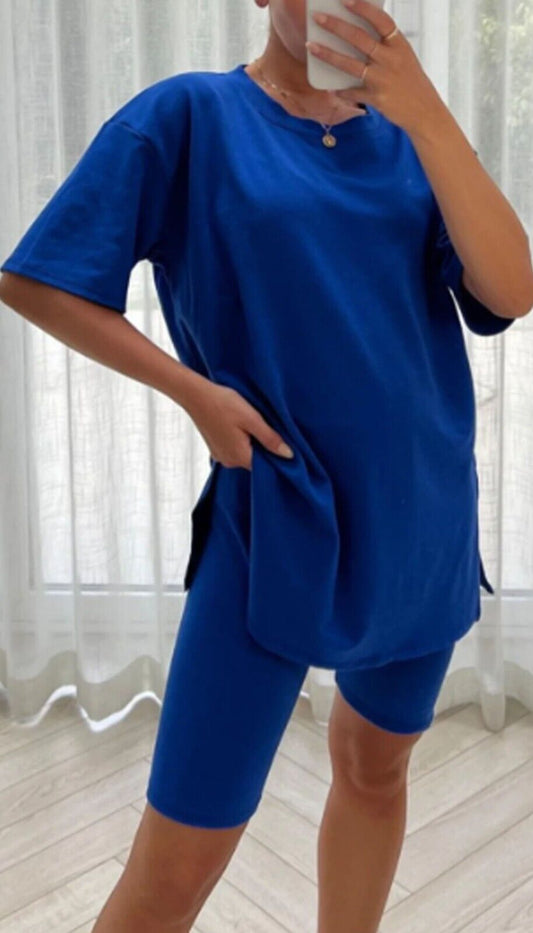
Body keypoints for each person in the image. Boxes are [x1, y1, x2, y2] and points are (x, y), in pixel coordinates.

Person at [1, 1, 531, 930]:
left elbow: (511, 289)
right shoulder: (189, 118)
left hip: (418, 514)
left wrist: (429, 115)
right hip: (274, 513)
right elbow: (36, 278)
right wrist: (194, 394)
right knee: (179, 856)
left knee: (375, 769)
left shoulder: (414, 136)